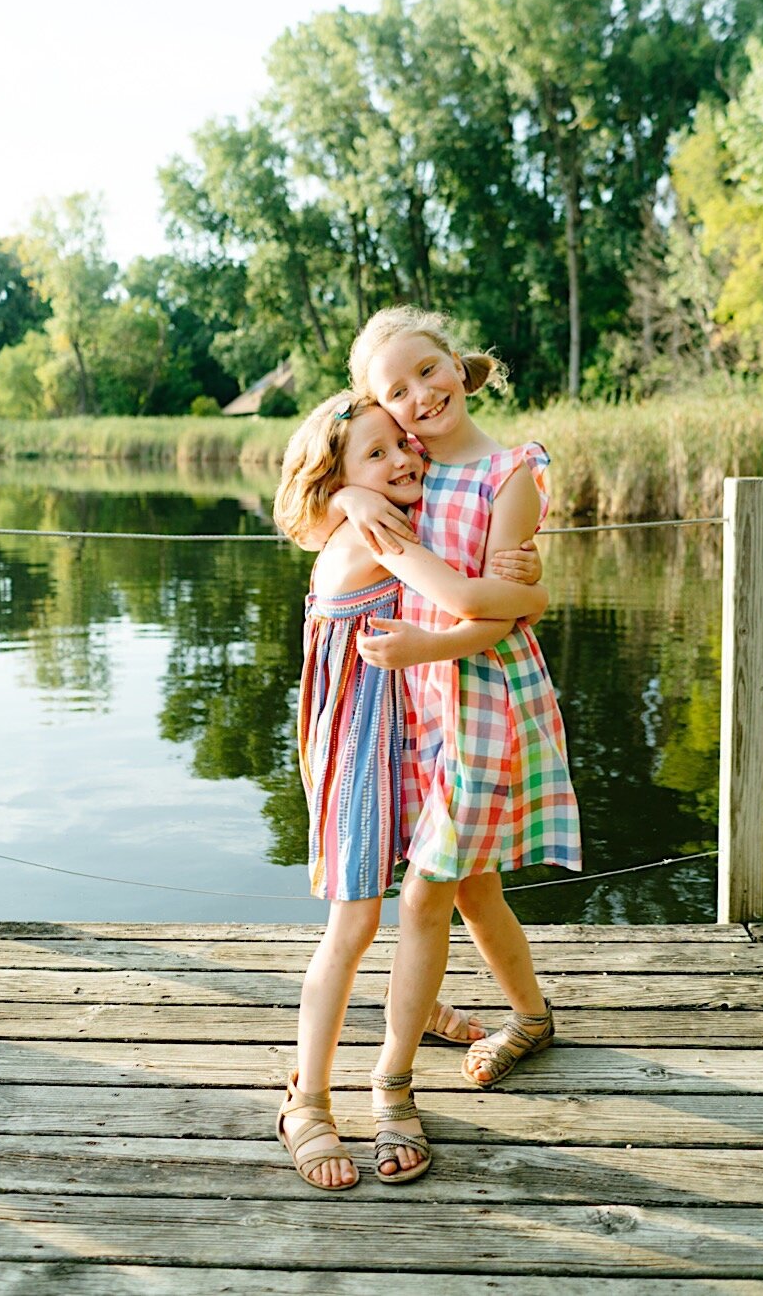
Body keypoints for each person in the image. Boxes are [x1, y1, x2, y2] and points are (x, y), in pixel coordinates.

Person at [271, 391, 550, 1189]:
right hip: (362, 742)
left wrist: (352, 486)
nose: (400, 460)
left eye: (402, 444)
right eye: (375, 454)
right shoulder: (371, 525)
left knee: (462, 884)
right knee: (355, 920)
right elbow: (467, 599)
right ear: (339, 476)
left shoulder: (373, 507)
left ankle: (428, 1010)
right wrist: (532, 596)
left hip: (414, 720)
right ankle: (308, 1100)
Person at [330, 306, 581, 1099]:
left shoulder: (511, 472)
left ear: (457, 364)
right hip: (424, 708)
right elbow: (307, 511)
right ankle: (532, 1019)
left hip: (484, 701)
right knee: (474, 887)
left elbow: (501, 613)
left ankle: (390, 1076)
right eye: (396, 391)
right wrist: (348, 499)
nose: (421, 396)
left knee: (425, 892)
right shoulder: (405, 472)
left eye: (427, 371)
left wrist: (425, 646)